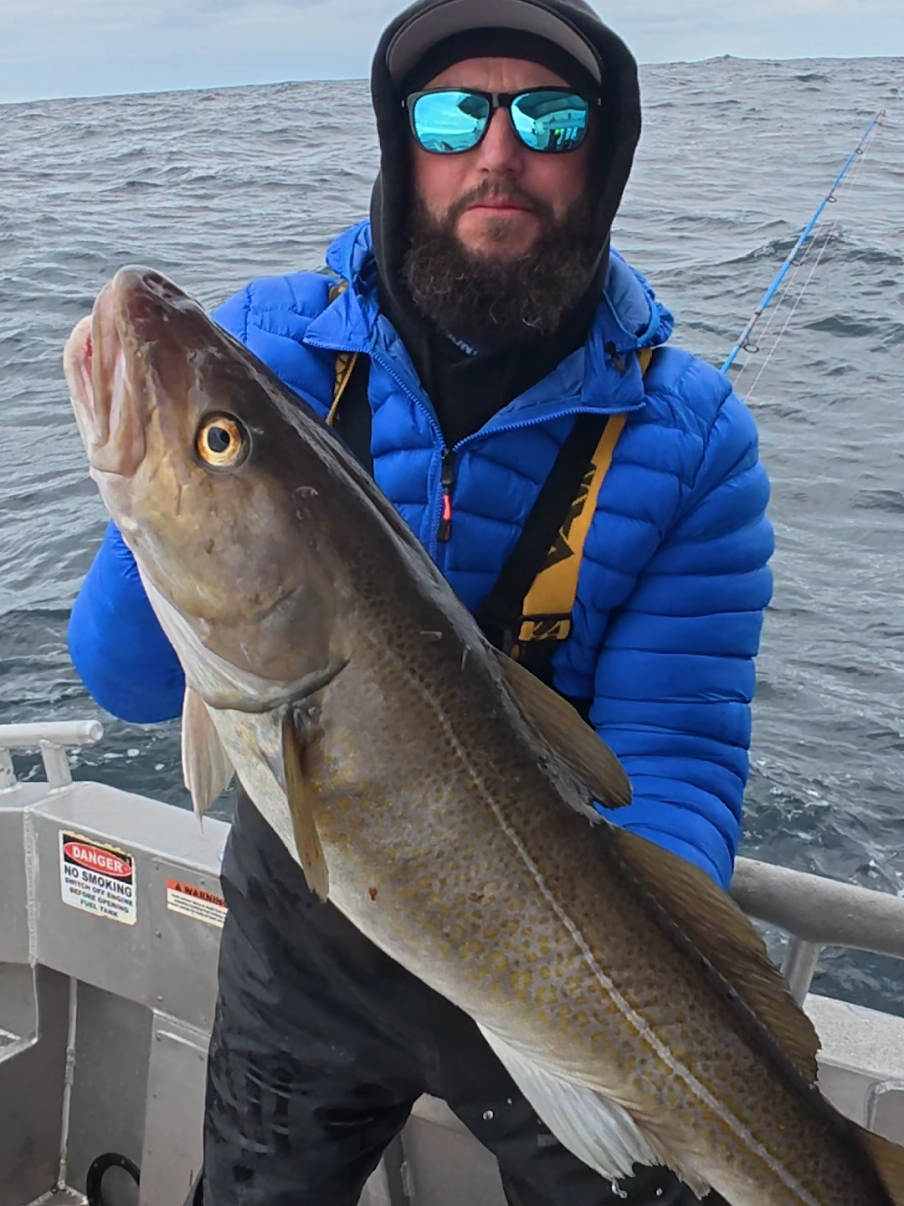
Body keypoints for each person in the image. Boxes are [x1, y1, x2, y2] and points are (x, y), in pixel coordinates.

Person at [68, 0, 773, 1202]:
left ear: (602, 156)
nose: (496, 150)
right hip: (308, 953)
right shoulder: (270, 344)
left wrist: (612, 1021)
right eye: (454, 113)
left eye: (548, 115)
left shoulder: (693, 438)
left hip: (559, 954)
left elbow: (675, 756)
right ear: (405, 147)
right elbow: (127, 679)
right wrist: (161, 496)